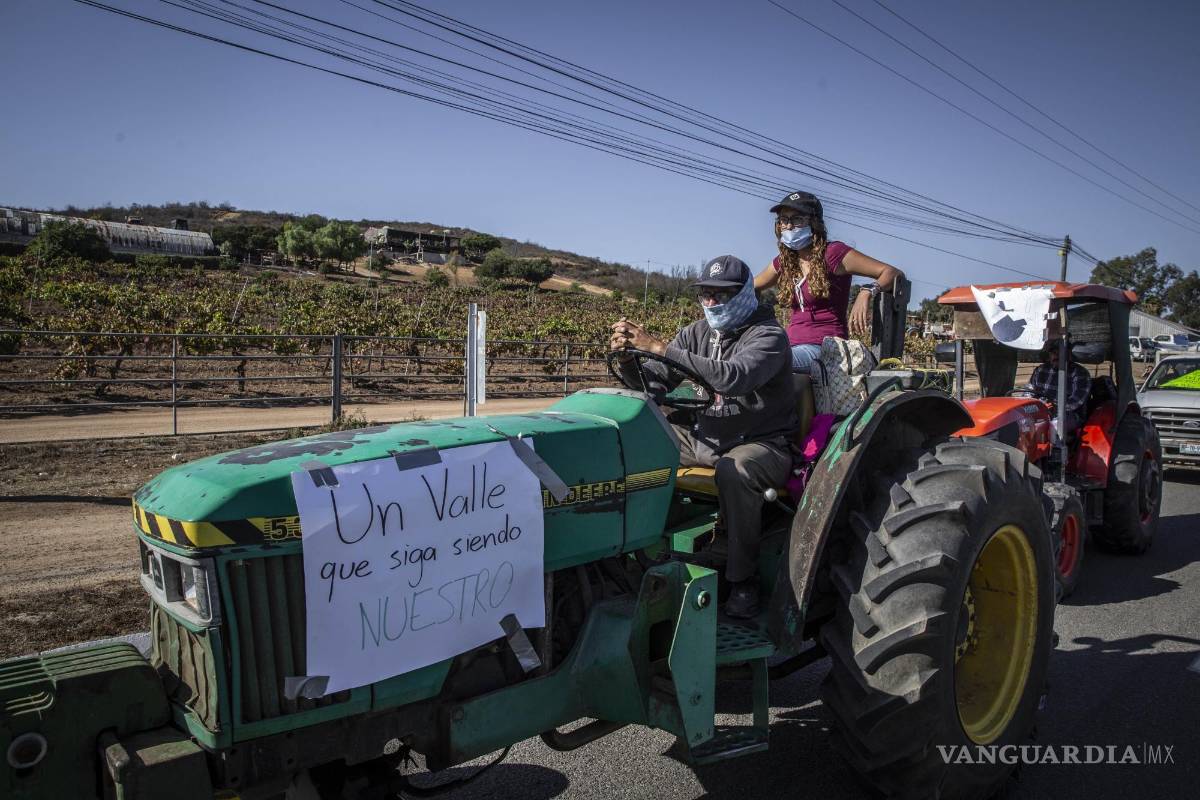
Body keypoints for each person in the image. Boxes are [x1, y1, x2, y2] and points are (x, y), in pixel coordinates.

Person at [610, 255, 797, 619]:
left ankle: (743, 579)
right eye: (705, 294)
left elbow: (734, 377)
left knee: (735, 469)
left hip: (759, 443)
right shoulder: (695, 333)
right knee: (634, 444)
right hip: (703, 436)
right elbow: (656, 381)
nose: (710, 302)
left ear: (744, 295)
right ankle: (635, 553)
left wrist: (660, 347)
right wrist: (630, 360)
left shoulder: (769, 336)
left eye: (720, 294)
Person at [753, 191, 904, 372]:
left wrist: (866, 292)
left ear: (814, 222)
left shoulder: (833, 254)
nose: (789, 226)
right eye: (784, 220)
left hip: (825, 347)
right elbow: (751, 286)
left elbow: (892, 272)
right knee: (742, 358)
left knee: (766, 361)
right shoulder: (785, 261)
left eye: (797, 219)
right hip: (790, 345)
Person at [1026, 340, 1091, 438]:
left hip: (1068, 414)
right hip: (1041, 410)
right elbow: (1028, 392)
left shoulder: (1079, 373)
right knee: (1020, 422)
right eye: (1053, 353)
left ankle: (1055, 450)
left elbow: (1076, 401)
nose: (1056, 356)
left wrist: (1054, 407)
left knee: (1055, 425)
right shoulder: (1041, 370)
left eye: (1060, 352)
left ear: (1069, 354)